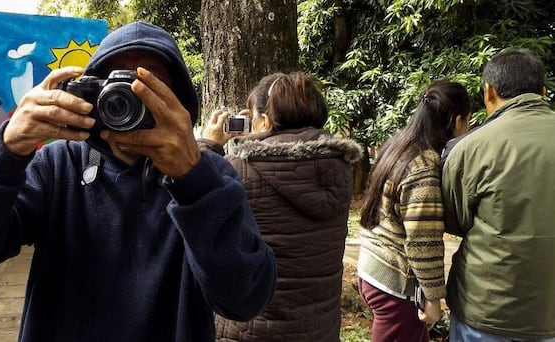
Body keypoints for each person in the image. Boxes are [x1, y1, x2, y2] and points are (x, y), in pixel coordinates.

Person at [0, 21, 276, 341]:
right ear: (90, 95)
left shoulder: (209, 177)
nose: (125, 101)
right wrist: (6, 149)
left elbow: (244, 300)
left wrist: (192, 179)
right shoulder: (59, 166)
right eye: (115, 87)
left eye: (145, 88)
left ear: (178, 103)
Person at [198, 71, 363, 341]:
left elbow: (193, 204)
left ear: (263, 120)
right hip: (317, 328)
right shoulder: (340, 167)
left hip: (250, 328)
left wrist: (209, 146)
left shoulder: (238, 169)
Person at [441, 49, 555, 341]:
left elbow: (454, 222)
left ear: (489, 92)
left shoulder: (469, 148)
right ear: (542, 92)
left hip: (486, 311)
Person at [357, 80, 471, 341]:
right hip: (393, 281)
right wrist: (433, 297)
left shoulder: (399, 146)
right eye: (467, 121)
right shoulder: (424, 165)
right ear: (456, 121)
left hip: (373, 267)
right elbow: (423, 239)